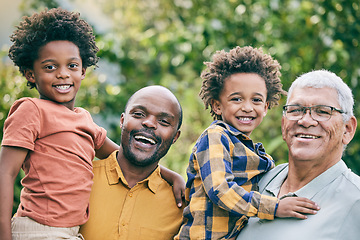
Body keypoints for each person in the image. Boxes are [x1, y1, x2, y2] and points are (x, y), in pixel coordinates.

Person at [0, 8, 183, 240]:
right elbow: (5, 173)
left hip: (69, 233)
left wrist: (171, 176)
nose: (63, 74)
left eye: (72, 66)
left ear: (83, 71)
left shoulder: (84, 121)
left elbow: (122, 156)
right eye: (50, 67)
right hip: (38, 229)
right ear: (30, 74)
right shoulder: (31, 110)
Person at [175, 46, 319, 240]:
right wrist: (275, 207)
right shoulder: (216, 136)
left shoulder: (257, 154)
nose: (247, 107)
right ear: (217, 105)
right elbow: (220, 190)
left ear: (266, 107)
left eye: (256, 100)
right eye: (236, 99)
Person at [237, 69, 360, 240]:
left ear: (348, 129)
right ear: (283, 125)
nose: (305, 121)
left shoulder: (355, 200)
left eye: (323, 111)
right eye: (296, 110)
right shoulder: (257, 180)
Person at [79, 85, 184, 240]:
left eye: (163, 121)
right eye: (139, 114)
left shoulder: (181, 205)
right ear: (122, 120)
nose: (149, 123)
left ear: (175, 137)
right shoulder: (80, 178)